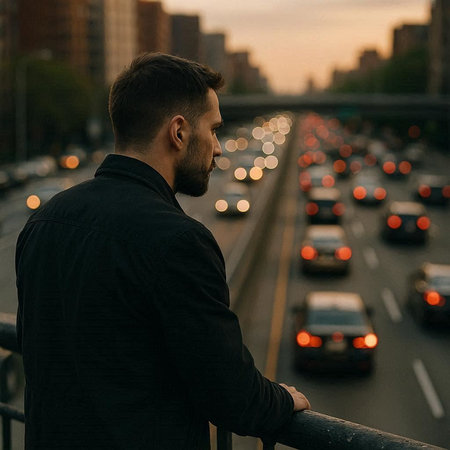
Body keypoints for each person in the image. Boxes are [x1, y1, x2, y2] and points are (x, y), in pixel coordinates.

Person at [16, 52, 310, 450]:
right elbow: (230, 394)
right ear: (179, 132)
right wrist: (282, 400)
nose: (219, 149)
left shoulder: (44, 222)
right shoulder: (179, 241)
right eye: (213, 130)